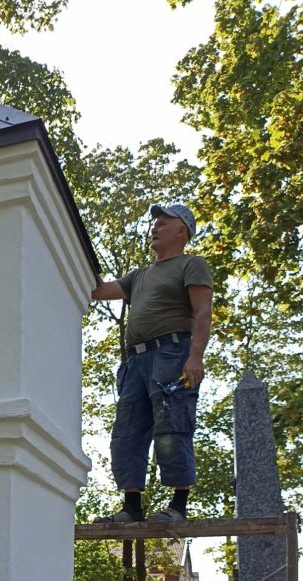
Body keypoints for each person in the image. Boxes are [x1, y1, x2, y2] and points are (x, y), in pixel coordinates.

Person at [90, 203, 213, 522]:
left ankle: (178, 507)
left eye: (162, 222)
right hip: (136, 361)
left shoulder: (191, 264)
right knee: (127, 431)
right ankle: (132, 507)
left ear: (181, 230)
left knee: (172, 426)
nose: (154, 227)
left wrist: (195, 357)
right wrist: (78, 255)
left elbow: (202, 312)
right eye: (154, 223)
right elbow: (98, 291)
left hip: (172, 354)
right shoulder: (139, 276)